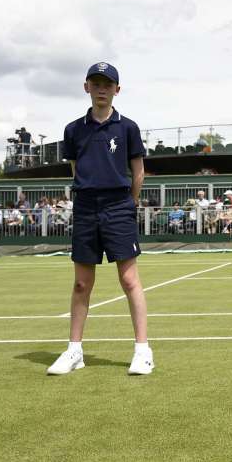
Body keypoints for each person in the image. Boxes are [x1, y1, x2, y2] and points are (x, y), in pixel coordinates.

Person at [48, 62, 152, 376]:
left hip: (119, 206)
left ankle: (143, 351)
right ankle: (74, 351)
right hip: (85, 207)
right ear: (87, 88)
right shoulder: (73, 129)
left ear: (117, 89)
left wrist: (129, 204)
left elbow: (138, 172)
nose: (101, 89)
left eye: (107, 84)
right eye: (96, 83)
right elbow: (76, 168)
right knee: (81, 283)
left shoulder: (128, 128)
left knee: (129, 279)